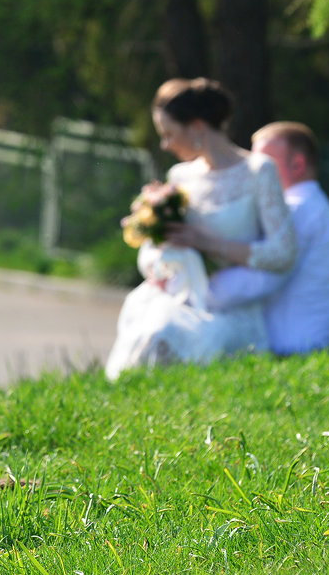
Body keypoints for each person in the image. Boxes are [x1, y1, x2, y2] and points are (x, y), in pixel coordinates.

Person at [104, 78, 297, 380]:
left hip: (231, 305)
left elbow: (283, 253)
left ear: (196, 127)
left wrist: (209, 243)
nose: (165, 144)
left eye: (168, 134)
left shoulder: (259, 171)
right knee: (150, 326)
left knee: (165, 334)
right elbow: (164, 245)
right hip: (184, 297)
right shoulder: (180, 176)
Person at [210, 121, 329, 354]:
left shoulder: (297, 210)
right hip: (312, 343)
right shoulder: (312, 206)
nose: (255, 172)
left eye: (264, 163)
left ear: (297, 165)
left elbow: (263, 278)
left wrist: (197, 289)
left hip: (299, 346)